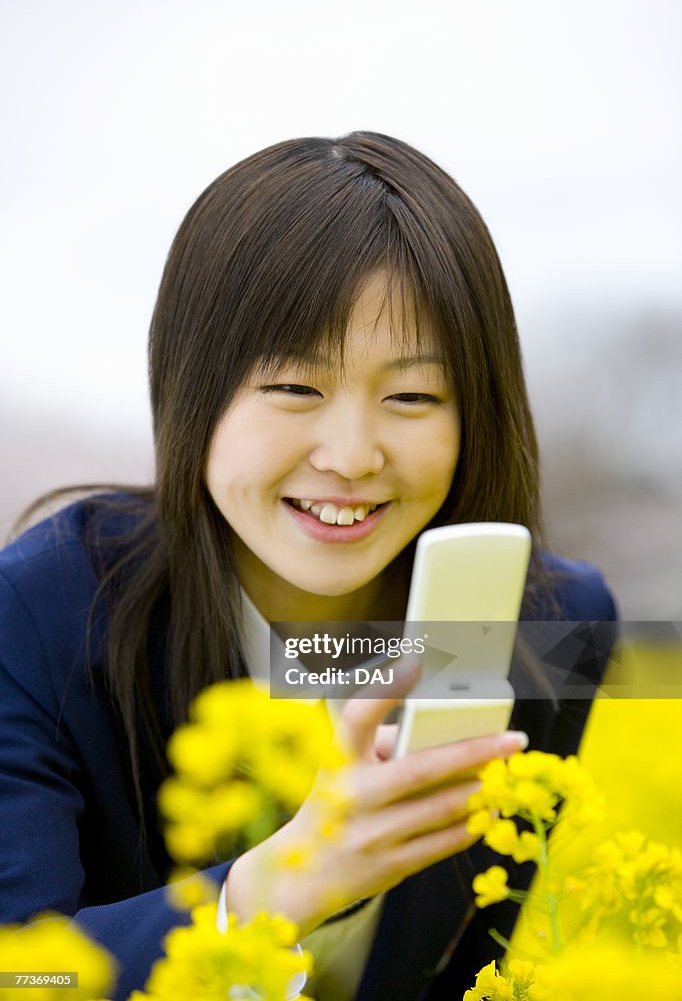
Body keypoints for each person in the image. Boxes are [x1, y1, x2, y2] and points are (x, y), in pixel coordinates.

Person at [0, 132, 617, 1001]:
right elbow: (18, 968)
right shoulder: (37, 608)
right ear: (189, 387)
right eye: (295, 389)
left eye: (413, 396)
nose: (354, 455)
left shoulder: (554, 625)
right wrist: (265, 894)